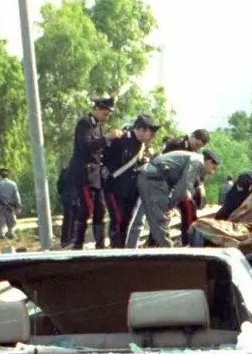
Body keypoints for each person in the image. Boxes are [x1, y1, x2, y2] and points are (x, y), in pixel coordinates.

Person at [64, 96, 118, 249]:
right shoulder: (85, 124)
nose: (107, 117)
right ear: (97, 109)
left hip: (96, 175)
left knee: (100, 209)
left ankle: (100, 244)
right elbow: (85, 145)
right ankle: (78, 243)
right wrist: (107, 138)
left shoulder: (98, 126)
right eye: (105, 113)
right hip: (84, 174)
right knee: (87, 208)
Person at [138, 148, 217, 247]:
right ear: (209, 162)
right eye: (214, 168)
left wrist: (170, 205)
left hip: (155, 179)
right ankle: (168, 250)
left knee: (159, 220)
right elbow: (183, 188)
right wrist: (170, 207)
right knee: (160, 220)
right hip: (154, 179)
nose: (213, 172)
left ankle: (156, 247)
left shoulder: (195, 160)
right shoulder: (197, 161)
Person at [101, 114, 158, 248]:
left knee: (126, 221)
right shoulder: (122, 139)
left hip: (131, 191)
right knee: (117, 220)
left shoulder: (141, 146)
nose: (152, 136)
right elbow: (105, 158)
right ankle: (116, 250)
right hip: (115, 188)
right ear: (142, 129)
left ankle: (121, 250)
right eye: (151, 132)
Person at [0, 167, 21, 240]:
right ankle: (10, 232)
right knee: (10, 219)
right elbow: (17, 196)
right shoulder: (13, 184)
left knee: (0, 219)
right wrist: (18, 205)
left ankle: (1, 233)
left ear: (0, 175)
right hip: (9, 205)